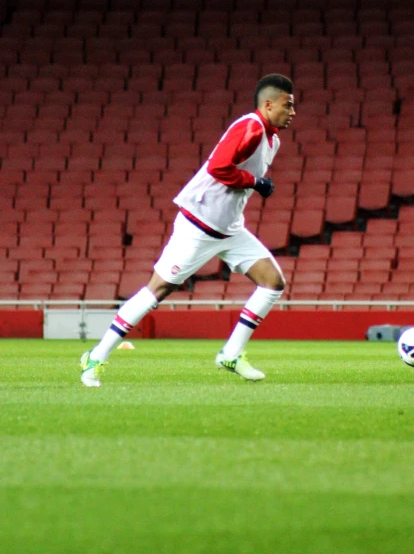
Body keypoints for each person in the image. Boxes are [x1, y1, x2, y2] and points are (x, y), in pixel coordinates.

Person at [80, 73, 296, 387]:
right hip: (198, 227)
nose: (292, 112)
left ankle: (231, 354)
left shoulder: (271, 138)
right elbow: (218, 168)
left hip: (229, 229)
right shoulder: (250, 128)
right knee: (157, 291)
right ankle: (95, 358)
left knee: (272, 283)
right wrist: (255, 182)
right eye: (287, 105)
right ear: (268, 104)